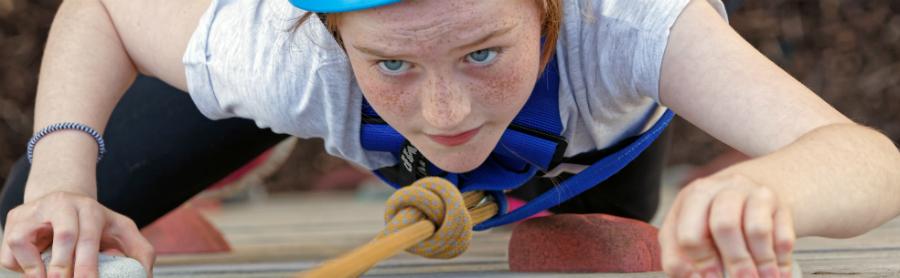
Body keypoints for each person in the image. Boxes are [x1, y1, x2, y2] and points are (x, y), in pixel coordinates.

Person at [1, 0, 899, 277]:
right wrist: (64, 171)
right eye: (394, 64)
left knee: (585, 261)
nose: (444, 115)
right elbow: (103, 11)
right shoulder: (280, 53)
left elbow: (867, 158)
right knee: (39, 229)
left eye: (482, 51)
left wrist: (770, 191)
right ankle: (230, 160)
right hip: (295, 95)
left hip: (590, 148)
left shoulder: (629, 23)